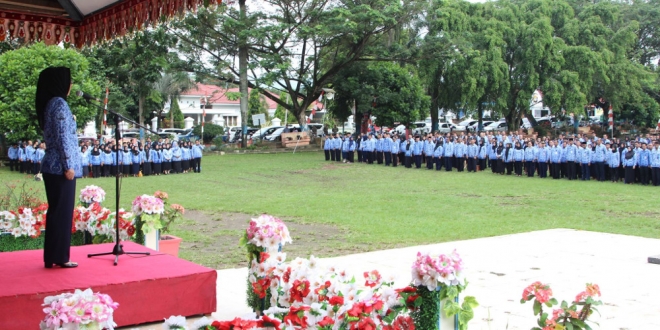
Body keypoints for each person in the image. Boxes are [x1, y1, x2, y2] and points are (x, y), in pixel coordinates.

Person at [36, 66, 81, 269]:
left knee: (56, 213)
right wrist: (69, 165)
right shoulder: (60, 104)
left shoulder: (49, 104)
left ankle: (52, 256)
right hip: (60, 167)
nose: (70, 86)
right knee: (62, 213)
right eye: (68, 81)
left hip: (51, 165)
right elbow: (63, 137)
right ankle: (61, 257)